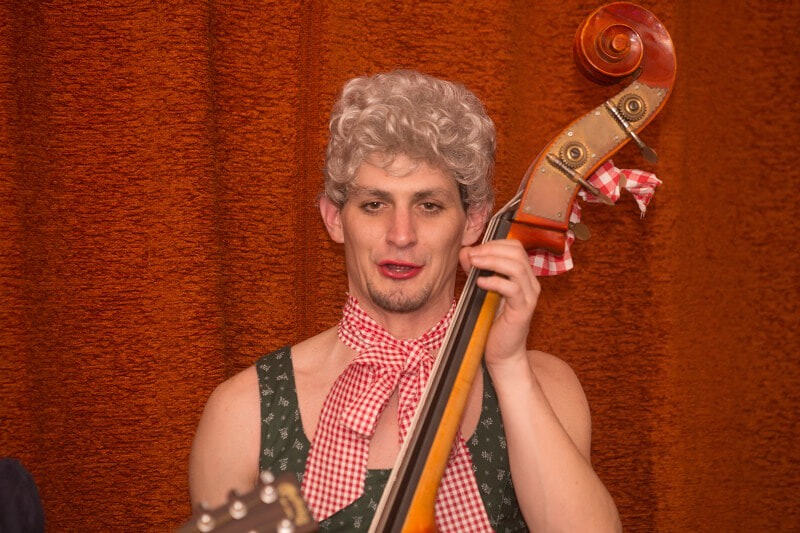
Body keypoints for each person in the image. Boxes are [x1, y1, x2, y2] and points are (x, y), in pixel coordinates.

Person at [189, 70, 620, 532]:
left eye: (428, 205)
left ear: (473, 221)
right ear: (334, 218)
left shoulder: (547, 386)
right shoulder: (247, 412)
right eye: (374, 204)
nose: (401, 235)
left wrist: (509, 367)